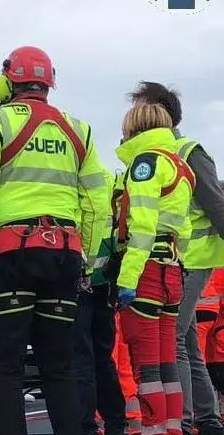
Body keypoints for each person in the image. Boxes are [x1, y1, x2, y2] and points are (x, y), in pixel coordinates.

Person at [0, 46, 111, 435]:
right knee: (59, 365)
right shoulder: (78, 130)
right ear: (49, 83)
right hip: (65, 254)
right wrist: (89, 260)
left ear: (7, 80)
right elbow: (99, 202)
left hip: (13, 255)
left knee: (4, 365)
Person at [130, 82, 224, 435]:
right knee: (185, 346)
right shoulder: (160, 154)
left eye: (141, 108)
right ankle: (208, 420)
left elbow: (217, 206)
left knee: (173, 343)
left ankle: (181, 422)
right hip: (178, 260)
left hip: (191, 258)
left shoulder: (186, 151)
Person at [113, 103, 196, 435]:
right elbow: (185, 231)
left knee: (145, 368)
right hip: (172, 271)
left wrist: (126, 280)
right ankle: (172, 429)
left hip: (145, 272)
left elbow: (143, 228)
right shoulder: (181, 168)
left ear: (133, 128)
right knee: (167, 365)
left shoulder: (146, 164)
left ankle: (152, 430)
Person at [72, 169, 127, 435]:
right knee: (102, 358)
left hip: (81, 281)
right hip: (106, 281)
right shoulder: (108, 178)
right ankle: (116, 423)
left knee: (81, 357)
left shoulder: (73, 178)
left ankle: (86, 426)